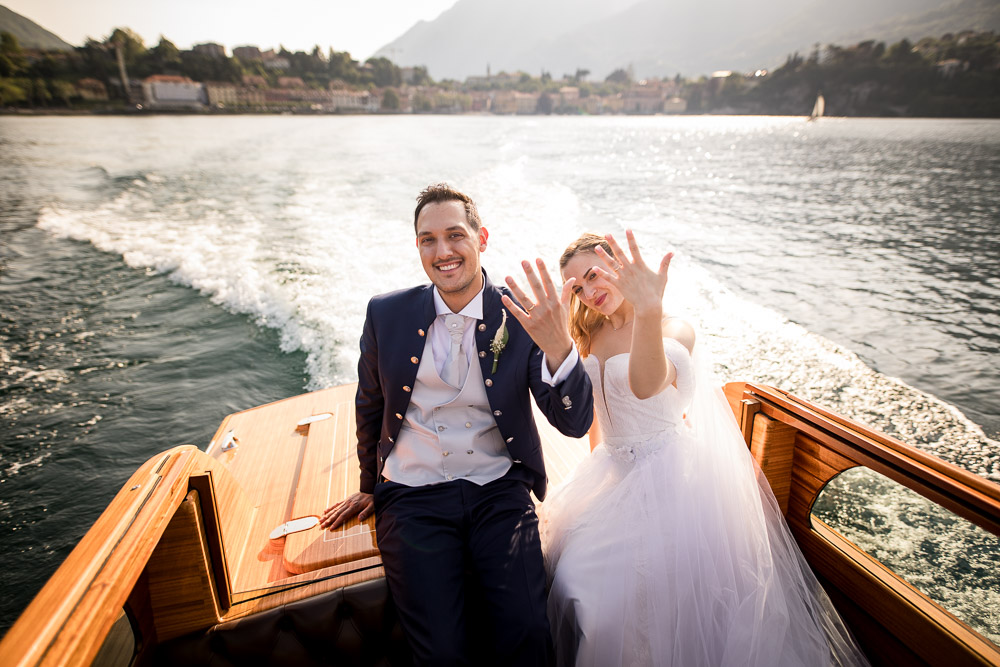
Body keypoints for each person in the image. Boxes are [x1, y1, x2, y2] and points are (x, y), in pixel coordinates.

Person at [537, 231, 870, 666]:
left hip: (669, 482)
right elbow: (596, 418)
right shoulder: (590, 333)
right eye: (578, 287)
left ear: (620, 265)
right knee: (568, 579)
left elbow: (645, 385)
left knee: (608, 606)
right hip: (612, 474)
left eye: (594, 275)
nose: (589, 292)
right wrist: (592, 484)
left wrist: (648, 310)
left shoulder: (674, 327)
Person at [319, 184, 594, 666]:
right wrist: (368, 485)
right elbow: (370, 404)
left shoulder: (521, 314)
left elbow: (574, 424)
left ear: (481, 238)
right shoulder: (385, 313)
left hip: (499, 491)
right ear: (418, 247)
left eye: (455, 235)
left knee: (529, 632)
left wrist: (560, 348)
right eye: (428, 240)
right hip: (412, 495)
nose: (442, 251)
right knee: (442, 652)